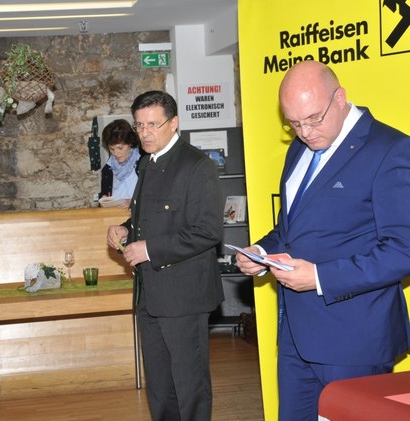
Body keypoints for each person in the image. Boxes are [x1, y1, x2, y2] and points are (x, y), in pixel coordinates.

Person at [235, 60, 410, 420]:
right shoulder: (298, 149)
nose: (305, 132)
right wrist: (262, 251)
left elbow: (402, 250)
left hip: (355, 340)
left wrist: (319, 277)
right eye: (294, 123)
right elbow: (290, 229)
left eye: (313, 119)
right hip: (296, 336)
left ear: (340, 98)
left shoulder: (390, 149)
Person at [107, 90, 224, 421]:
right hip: (150, 293)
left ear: (174, 123)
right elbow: (149, 219)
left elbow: (208, 231)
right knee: (159, 386)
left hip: (184, 295)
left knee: (190, 385)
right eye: (139, 125)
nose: (144, 133)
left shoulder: (198, 166)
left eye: (152, 125)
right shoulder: (147, 162)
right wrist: (125, 229)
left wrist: (148, 249)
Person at [99, 118, 141, 207]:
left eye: (120, 148)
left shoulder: (144, 163)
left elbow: (154, 196)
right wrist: (104, 199)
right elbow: (105, 194)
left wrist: (134, 202)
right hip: (115, 213)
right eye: (112, 149)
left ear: (130, 143)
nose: (116, 153)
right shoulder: (107, 169)